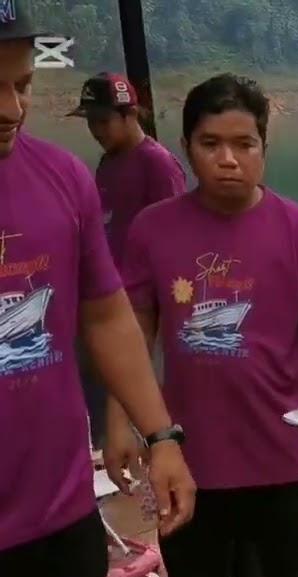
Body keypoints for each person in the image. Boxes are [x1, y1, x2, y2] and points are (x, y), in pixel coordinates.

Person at [107, 73, 298, 577]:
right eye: (211, 143)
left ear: (264, 147)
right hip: (188, 459)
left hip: (286, 454)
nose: (228, 159)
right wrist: (118, 423)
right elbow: (133, 332)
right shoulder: (153, 230)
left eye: (244, 143)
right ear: (186, 147)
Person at [0, 4, 196, 577]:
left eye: (22, 84)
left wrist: (160, 433)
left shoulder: (61, 178)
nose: (11, 109)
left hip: (55, 516)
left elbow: (108, 313)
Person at [68, 72, 187, 453]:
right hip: (104, 299)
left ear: (130, 114)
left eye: (103, 120)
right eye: (90, 121)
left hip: (142, 307)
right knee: (100, 390)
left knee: (143, 398)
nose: (96, 130)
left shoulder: (158, 164)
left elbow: (173, 240)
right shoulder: (108, 163)